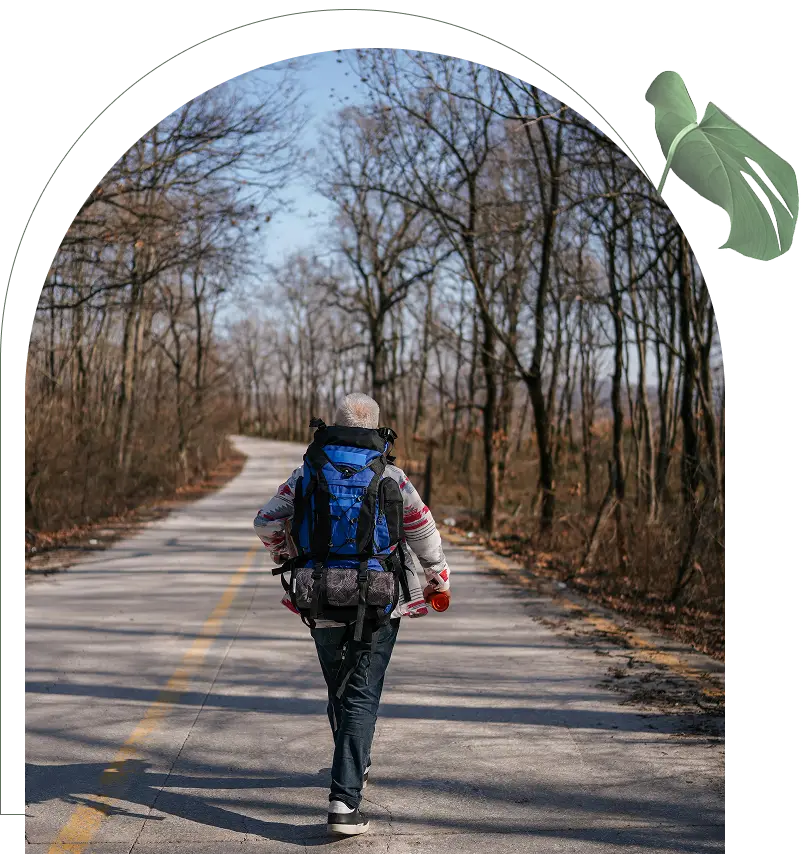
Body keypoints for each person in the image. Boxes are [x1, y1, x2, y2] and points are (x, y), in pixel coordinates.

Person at [253, 392, 451, 836]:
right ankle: (344, 801)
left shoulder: (305, 474)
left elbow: (266, 521)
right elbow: (423, 529)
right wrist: (439, 576)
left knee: (340, 689)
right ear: (377, 429)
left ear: (335, 426)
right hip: (381, 599)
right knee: (360, 693)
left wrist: (287, 552)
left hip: (319, 596)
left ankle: (354, 766)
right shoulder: (392, 476)